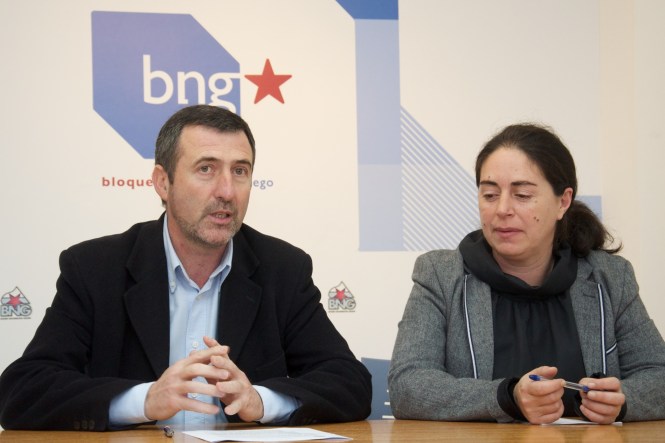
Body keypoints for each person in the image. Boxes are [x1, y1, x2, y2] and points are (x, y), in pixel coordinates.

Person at [0, 105, 371, 430]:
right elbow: (24, 390)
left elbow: (350, 383)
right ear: (163, 183)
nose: (227, 191)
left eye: (240, 171)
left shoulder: (282, 269)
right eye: (206, 169)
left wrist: (259, 401)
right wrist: (145, 400)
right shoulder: (95, 269)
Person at [388, 123, 665, 424]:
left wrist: (621, 401)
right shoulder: (441, 275)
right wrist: (507, 397)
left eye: (522, 195)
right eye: (490, 195)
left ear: (563, 202)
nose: (502, 209)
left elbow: (658, 376)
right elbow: (407, 386)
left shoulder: (609, 277)